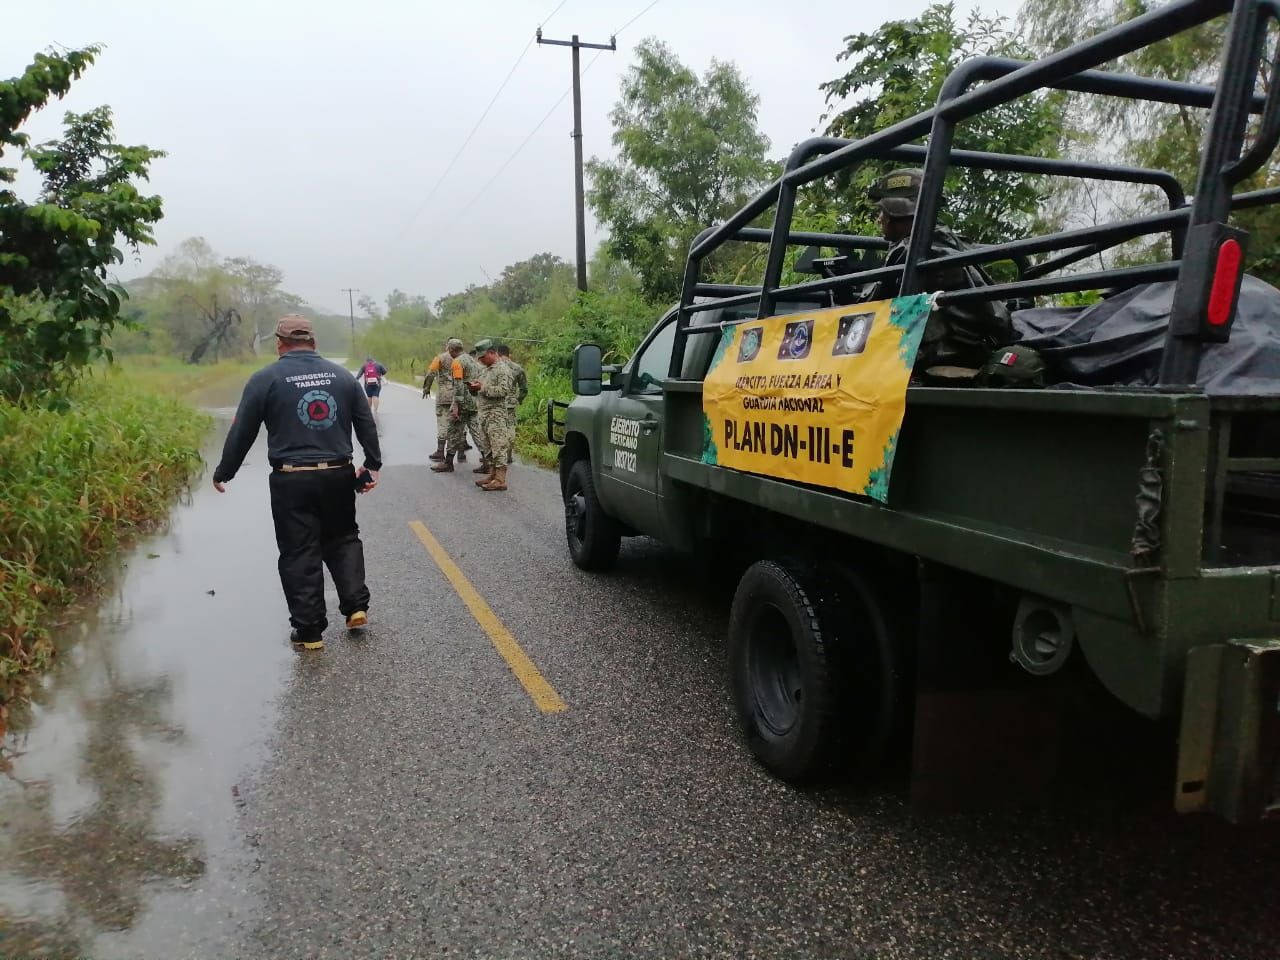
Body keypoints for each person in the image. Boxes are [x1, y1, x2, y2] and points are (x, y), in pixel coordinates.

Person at [213, 314, 382, 651]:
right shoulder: (342, 377)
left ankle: (310, 632)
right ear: (314, 343)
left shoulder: (265, 379)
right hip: (338, 473)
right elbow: (365, 423)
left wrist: (225, 471)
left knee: (299, 550)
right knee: (344, 538)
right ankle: (355, 607)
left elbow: (242, 430)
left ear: (279, 344)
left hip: (291, 479)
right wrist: (371, 465)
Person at [862, 168, 1013, 382]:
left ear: (897, 214)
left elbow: (871, 309)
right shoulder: (951, 242)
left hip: (937, 357)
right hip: (973, 351)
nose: (879, 219)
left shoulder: (909, 251)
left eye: (882, 212)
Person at [430, 339, 484, 473]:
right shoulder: (473, 361)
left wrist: (456, 405)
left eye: (449, 350)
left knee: (453, 431)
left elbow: (459, 385)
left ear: (452, 350)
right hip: (474, 401)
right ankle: (488, 460)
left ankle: (448, 463)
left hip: (463, 402)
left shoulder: (457, 362)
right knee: (476, 432)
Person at [470, 340, 516, 492]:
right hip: (484, 414)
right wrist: (475, 386)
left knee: (498, 446)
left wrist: (482, 388)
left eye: (483, 357)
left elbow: (504, 391)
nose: (480, 360)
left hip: (496, 414)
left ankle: (500, 479)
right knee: (487, 446)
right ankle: (492, 475)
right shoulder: (486, 370)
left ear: (491, 353)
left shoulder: (502, 370)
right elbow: (482, 388)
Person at [422, 338, 463, 462]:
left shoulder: (440, 358)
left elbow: (431, 373)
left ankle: (440, 451)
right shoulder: (464, 359)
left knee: (443, 422)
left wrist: (426, 388)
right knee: (459, 423)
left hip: (444, 396)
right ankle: (461, 452)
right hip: (460, 395)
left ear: (449, 347)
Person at [495, 343, 527, 465]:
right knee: (510, 428)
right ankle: (508, 455)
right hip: (510, 404)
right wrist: (519, 399)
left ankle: (497, 456)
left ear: (498, 354)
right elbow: (524, 388)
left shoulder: (494, 366)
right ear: (509, 354)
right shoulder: (518, 368)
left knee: (496, 429)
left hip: (496, 402)